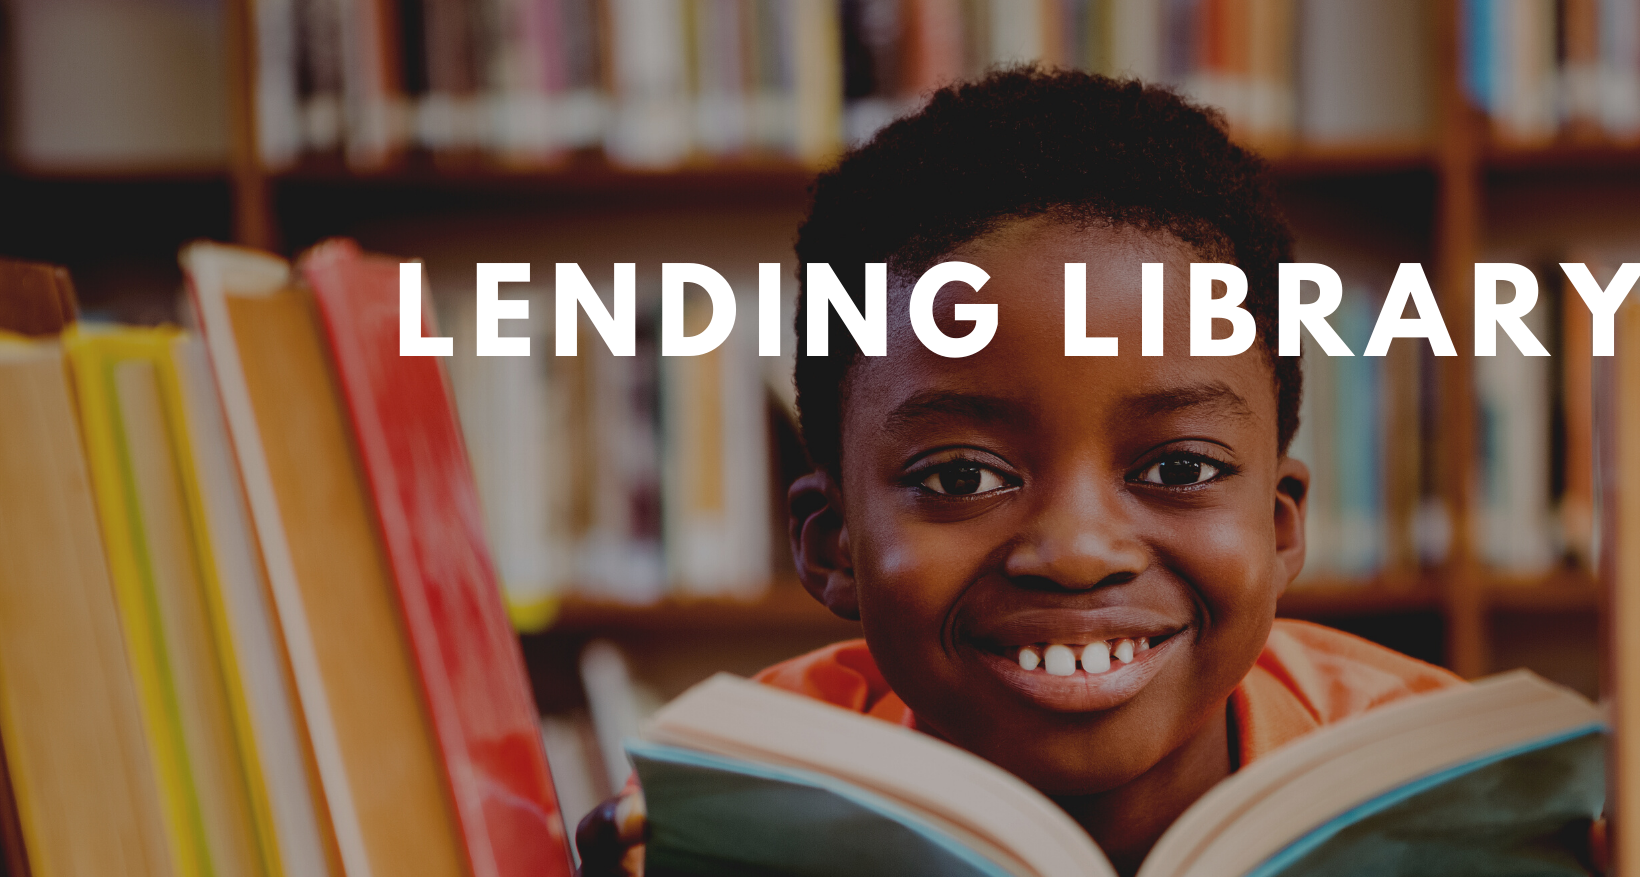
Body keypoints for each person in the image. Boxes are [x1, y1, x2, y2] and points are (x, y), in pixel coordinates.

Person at [577, 66, 1468, 877]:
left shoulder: (1447, 785)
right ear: (831, 543)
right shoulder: (751, 802)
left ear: (1280, 529)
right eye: (962, 477)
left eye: (1181, 466)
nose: (1078, 552)